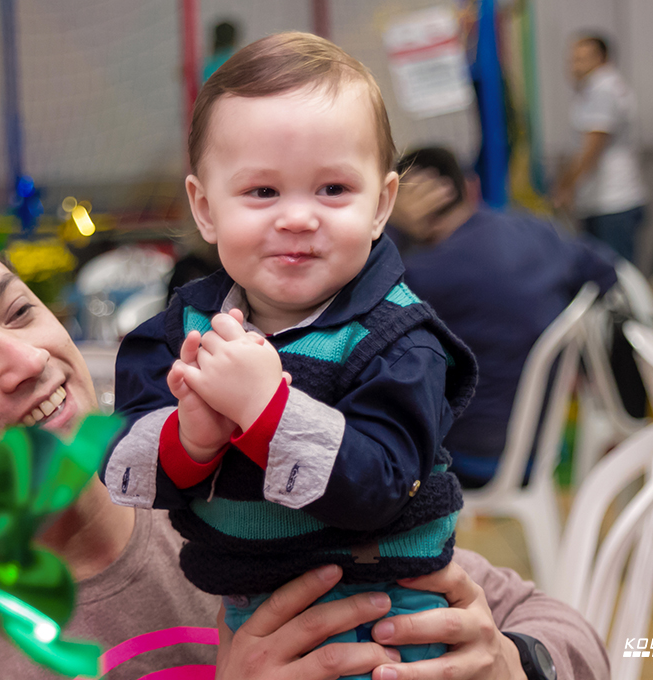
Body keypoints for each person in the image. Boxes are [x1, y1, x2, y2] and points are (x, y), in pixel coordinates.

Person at [0, 199, 608, 680]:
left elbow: (571, 634)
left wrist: (513, 662)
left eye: (19, 312)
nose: (28, 360)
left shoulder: (240, 483)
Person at [104, 30, 481, 677]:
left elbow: (380, 487)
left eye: (333, 189)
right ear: (205, 208)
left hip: (390, 616)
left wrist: (267, 411)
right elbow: (124, 469)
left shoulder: (398, 342)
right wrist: (189, 437)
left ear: (380, 204)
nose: (299, 218)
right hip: (256, 612)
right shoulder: (179, 332)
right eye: (263, 193)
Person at [390, 147, 618, 489]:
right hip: (544, 444)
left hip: (475, 457)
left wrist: (392, 229)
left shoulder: (420, 275)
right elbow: (606, 272)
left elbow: (361, 312)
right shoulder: (538, 231)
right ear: (469, 187)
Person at [552, 34, 647, 263]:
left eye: (582, 59)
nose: (574, 66)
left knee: (615, 275)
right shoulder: (605, 87)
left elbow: (592, 147)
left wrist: (565, 186)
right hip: (606, 198)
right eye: (572, 59)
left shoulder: (601, 89)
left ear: (601, 59)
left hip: (611, 201)